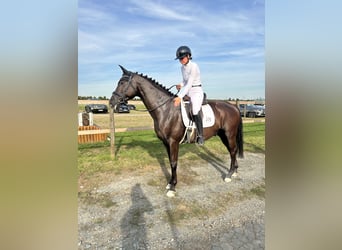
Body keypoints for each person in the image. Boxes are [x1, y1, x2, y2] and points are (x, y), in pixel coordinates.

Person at [173, 45, 204, 145]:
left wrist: (180, 96)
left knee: (195, 110)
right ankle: (186, 134)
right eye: (179, 59)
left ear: (188, 56)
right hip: (188, 90)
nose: (181, 60)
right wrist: (180, 84)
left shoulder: (194, 66)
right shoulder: (182, 68)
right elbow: (185, 81)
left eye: (182, 58)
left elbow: (190, 82)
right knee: (182, 109)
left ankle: (200, 136)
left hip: (196, 90)